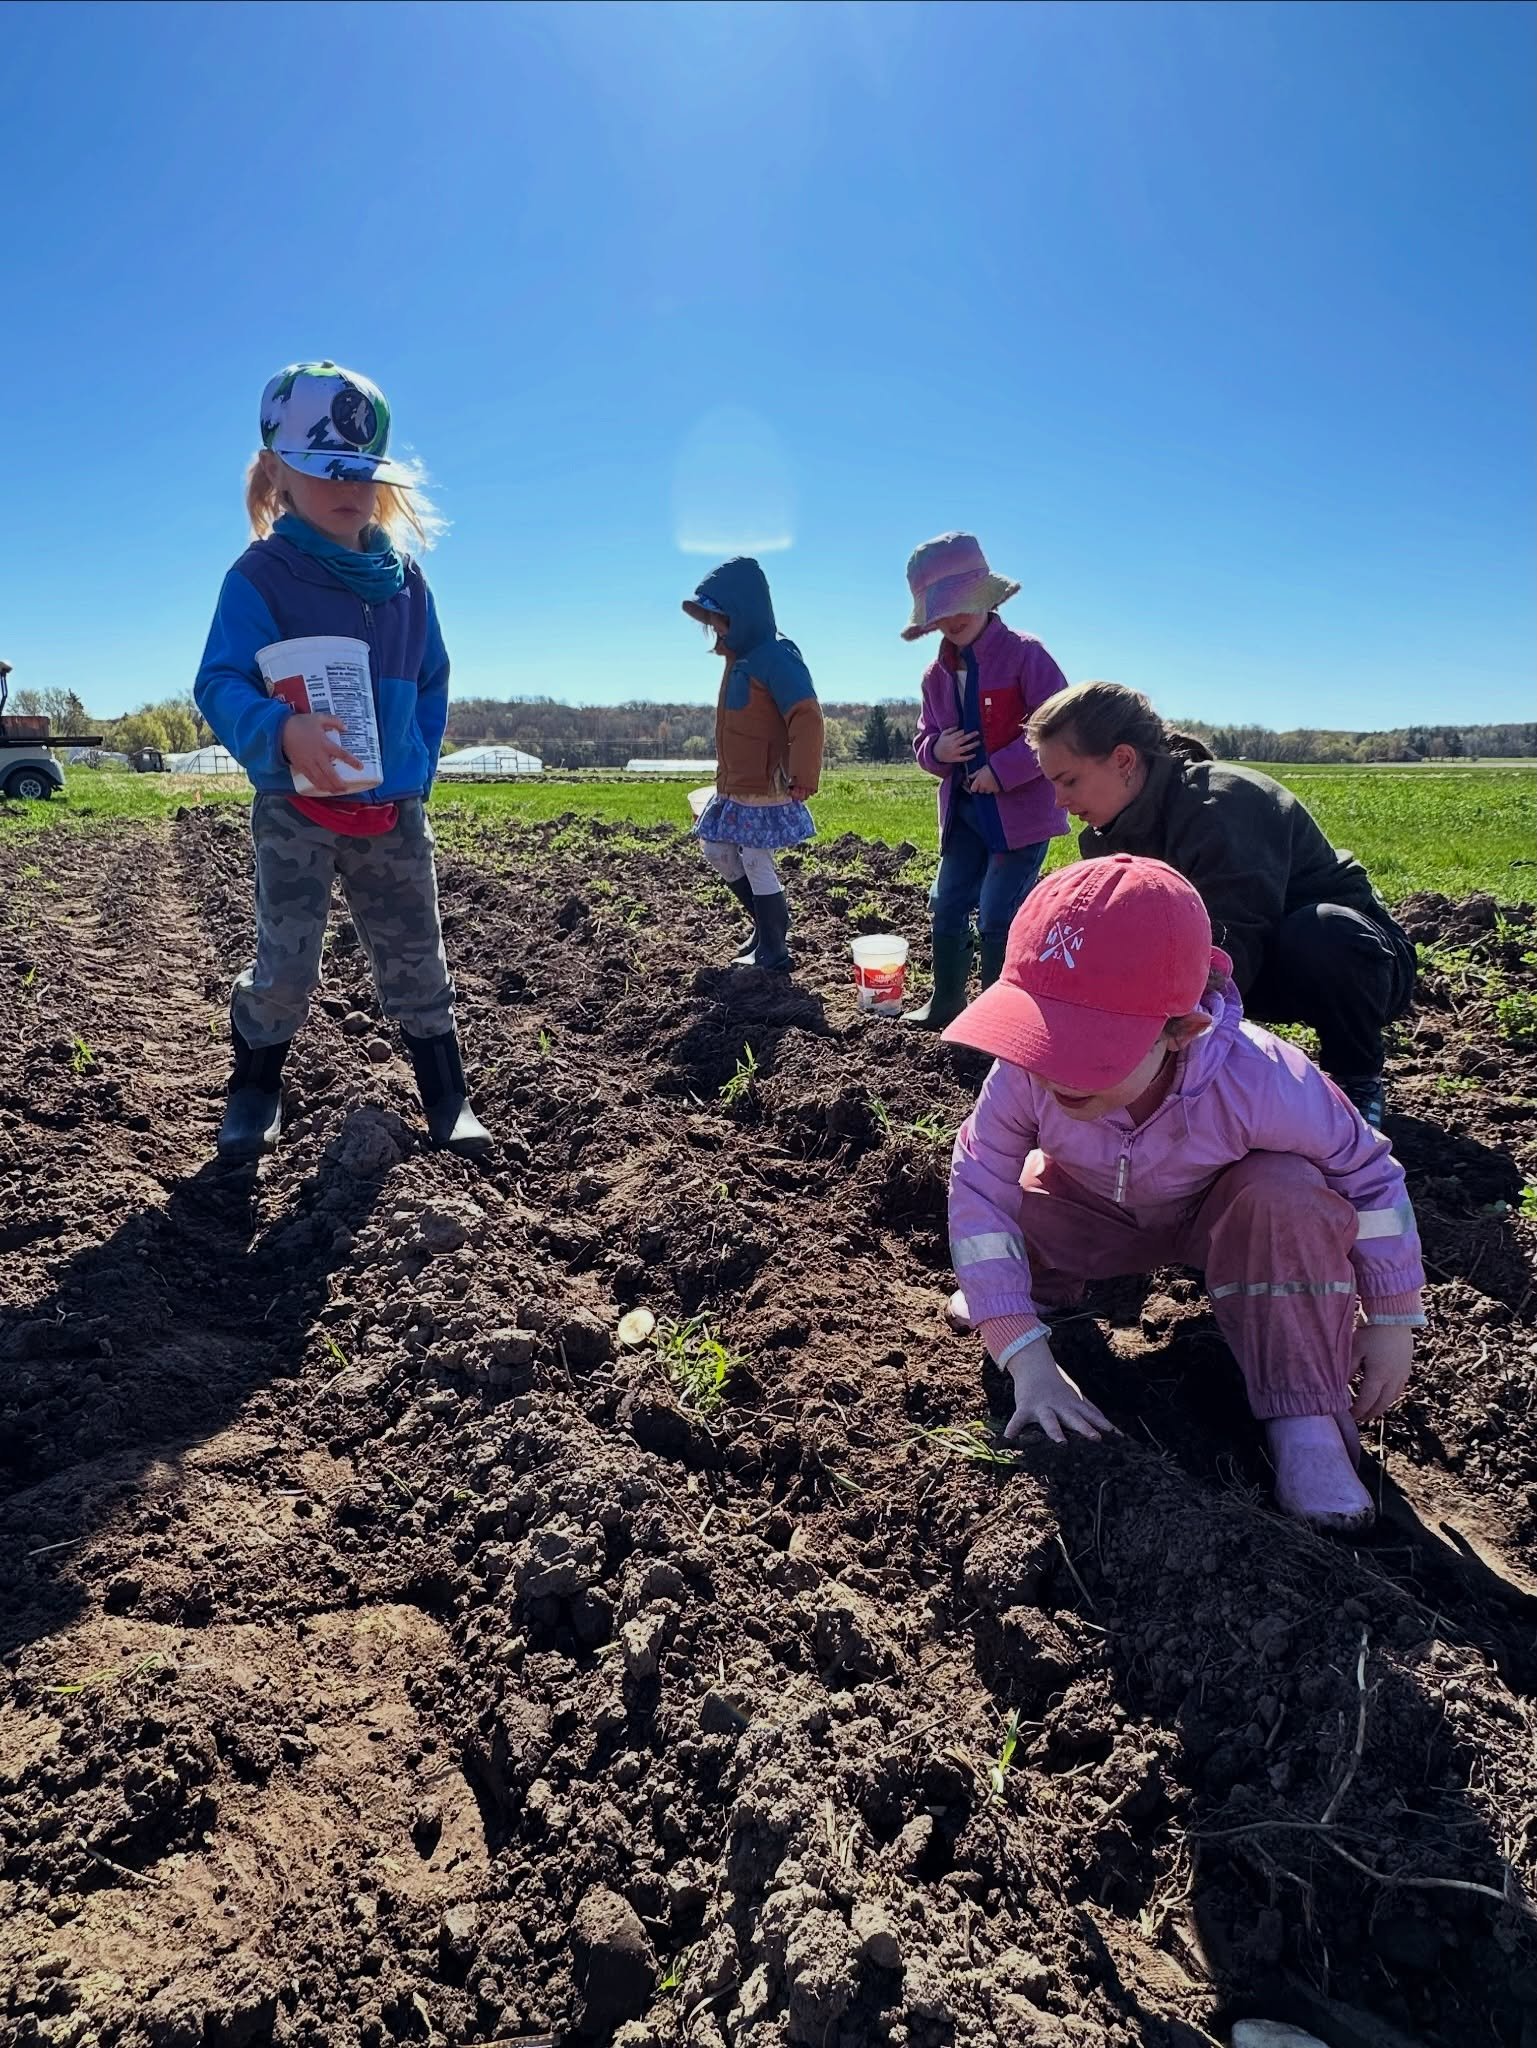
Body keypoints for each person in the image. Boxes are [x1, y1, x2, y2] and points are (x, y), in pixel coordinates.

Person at [944, 854, 1425, 1534]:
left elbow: (1370, 1178)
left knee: (1285, 1192)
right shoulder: (1023, 1074)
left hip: (1220, 1219)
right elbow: (978, 1188)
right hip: (1095, 1210)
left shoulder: (1262, 1079)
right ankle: (1034, 1293)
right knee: (1018, 1190)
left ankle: (1303, 1414)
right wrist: (1020, 1348)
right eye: (1038, 1037)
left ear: (1180, 1030)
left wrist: (1391, 1315)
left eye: (1087, 1051)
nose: (1052, 1070)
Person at [194, 359, 490, 1162]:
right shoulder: (262, 576)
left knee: (416, 953)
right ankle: (254, 1086)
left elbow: (432, 679)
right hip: (296, 809)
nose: (347, 486)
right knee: (285, 959)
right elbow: (217, 680)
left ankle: (446, 1095)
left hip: (390, 810)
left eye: (361, 471)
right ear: (277, 472)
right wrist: (277, 732)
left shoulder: (405, 586)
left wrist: (415, 771)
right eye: (325, 468)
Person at [1027, 682, 1415, 1126]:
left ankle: (1356, 1081)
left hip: (1349, 965)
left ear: (1123, 760)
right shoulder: (1102, 838)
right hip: (1252, 963)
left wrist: (1162, 1051)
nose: (1059, 801)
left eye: (1069, 780)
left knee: (1322, 931)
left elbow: (1235, 937)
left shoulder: (1222, 802)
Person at [903, 533, 1069, 1029]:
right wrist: (937, 750)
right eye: (943, 611)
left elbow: (1056, 727)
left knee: (999, 912)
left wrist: (1004, 769)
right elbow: (924, 739)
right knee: (946, 902)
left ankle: (999, 1018)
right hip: (965, 814)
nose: (955, 619)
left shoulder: (1024, 655)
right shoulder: (935, 676)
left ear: (987, 597)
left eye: (964, 604)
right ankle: (947, 1002)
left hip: (1020, 816)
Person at [682, 558, 824, 974]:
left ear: (743, 614)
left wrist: (802, 775)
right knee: (716, 847)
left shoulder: (775, 656)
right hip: (734, 783)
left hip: (766, 783)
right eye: (712, 621)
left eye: (721, 619)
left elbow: (807, 716)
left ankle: (774, 947)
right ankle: (764, 926)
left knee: (756, 857)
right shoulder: (737, 660)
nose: (717, 629)